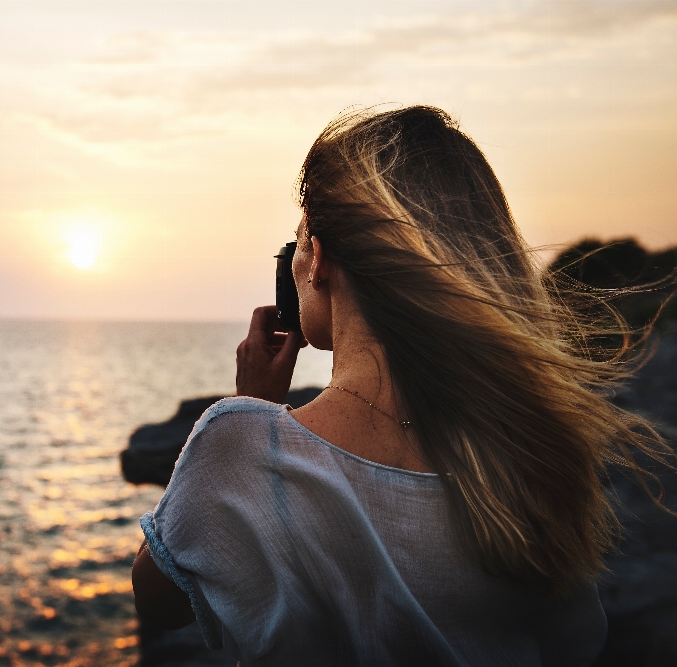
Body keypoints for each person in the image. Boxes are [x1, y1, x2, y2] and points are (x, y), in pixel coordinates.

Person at [131, 106, 674, 665]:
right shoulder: (532, 453)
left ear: (318, 259)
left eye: (298, 241)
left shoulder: (239, 442)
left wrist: (251, 407)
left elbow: (157, 599)